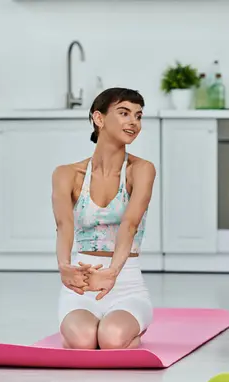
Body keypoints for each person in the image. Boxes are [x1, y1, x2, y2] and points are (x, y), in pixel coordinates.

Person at [51, 87, 156, 350]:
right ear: (99, 118)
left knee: (112, 339)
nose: (133, 122)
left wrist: (112, 273)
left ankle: (128, 334)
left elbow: (129, 224)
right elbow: (64, 225)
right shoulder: (67, 174)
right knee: (83, 340)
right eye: (124, 113)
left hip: (127, 284)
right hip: (81, 287)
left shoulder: (141, 170)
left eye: (138, 115)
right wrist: (64, 266)